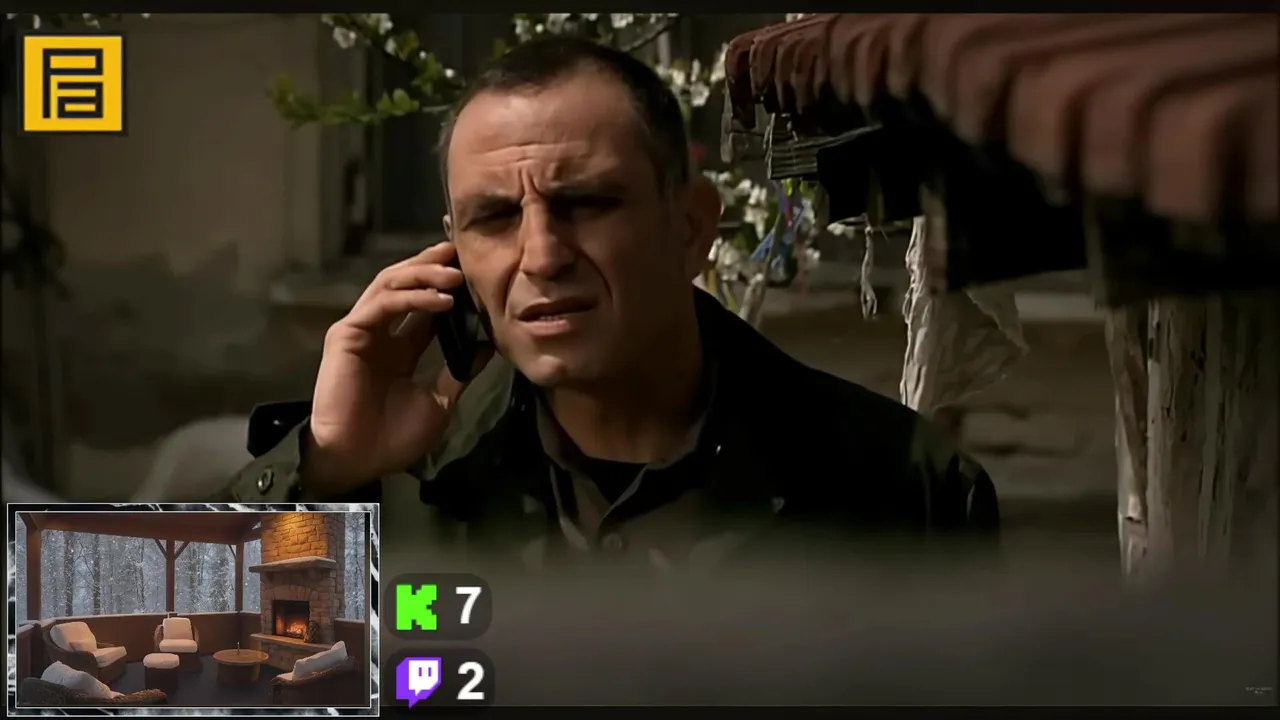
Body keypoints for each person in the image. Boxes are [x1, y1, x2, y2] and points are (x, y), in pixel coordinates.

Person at [211, 36, 998, 571]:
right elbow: (184, 680)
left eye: (586, 203)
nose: (542, 255)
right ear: (453, 256)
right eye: (496, 218)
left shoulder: (900, 488)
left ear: (690, 228)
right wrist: (324, 468)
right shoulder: (398, 480)